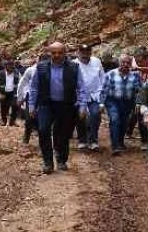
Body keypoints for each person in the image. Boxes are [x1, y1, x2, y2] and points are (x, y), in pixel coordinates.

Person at [28, 42, 88, 174]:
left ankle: (61, 159)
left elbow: (82, 88)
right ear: (49, 53)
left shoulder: (74, 68)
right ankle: (48, 162)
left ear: (65, 53)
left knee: (63, 134)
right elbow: (33, 88)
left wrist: (83, 106)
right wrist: (31, 105)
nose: (57, 55)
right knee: (43, 130)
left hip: (66, 105)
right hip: (46, 104)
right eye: (53, 52)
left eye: (60, 52)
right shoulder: (41, 67)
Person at [100, 54, 143, 155]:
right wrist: (101, 103)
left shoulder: (135, 75)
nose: (125, 64)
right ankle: (115, 146)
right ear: (119, 63)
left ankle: (120, 141)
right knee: (115, 120)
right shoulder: (110, 74)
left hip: (127, 102)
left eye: (128, 62)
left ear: (131, 64)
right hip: (112, 101)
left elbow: (140, 91)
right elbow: (104, 89)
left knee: (124, 122)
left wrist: (139, 102)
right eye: (123, 62)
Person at [73, 44, 106, 151]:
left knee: (95, 115)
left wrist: (102, 99)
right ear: (78, 52)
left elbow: (102, 78)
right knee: (80, 117)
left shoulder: (96, 61)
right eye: (82, 51)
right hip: (79, 95)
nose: (85, 54)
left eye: (87, 51)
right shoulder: (73, 64)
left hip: (95, 94)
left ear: (90, 52)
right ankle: (82, 140)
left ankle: (93, 140)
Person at [127, 47, 148, 149]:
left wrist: (138, 68)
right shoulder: (137, 66)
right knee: (138, 116)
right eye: (137, 61)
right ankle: (144, 141)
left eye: (140, 61)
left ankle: (131, 133)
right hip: (140, 95)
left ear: (146, 59)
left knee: (140, 116)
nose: (138, 63)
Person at [18, 55, 46, 144]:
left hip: (44, 98)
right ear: (39, 61)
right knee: (29, 118)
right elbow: (22, 83)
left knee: (43, 120)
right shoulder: (31, 70)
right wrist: (20, 97)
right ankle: (26, 138)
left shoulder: (51, 70)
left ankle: (43, 142)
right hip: (31, 97)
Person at [0, 60, 21, 126]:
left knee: (15, 106)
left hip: (13, 93)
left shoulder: (17, 73)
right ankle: (4, 121)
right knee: (4, 108)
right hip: (3, 93)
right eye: (10, 67)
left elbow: (21, 83)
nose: (12, 68)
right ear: (6, 66)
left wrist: (19, 94)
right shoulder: (0, 73)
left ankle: (12, 121)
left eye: (13, 67)